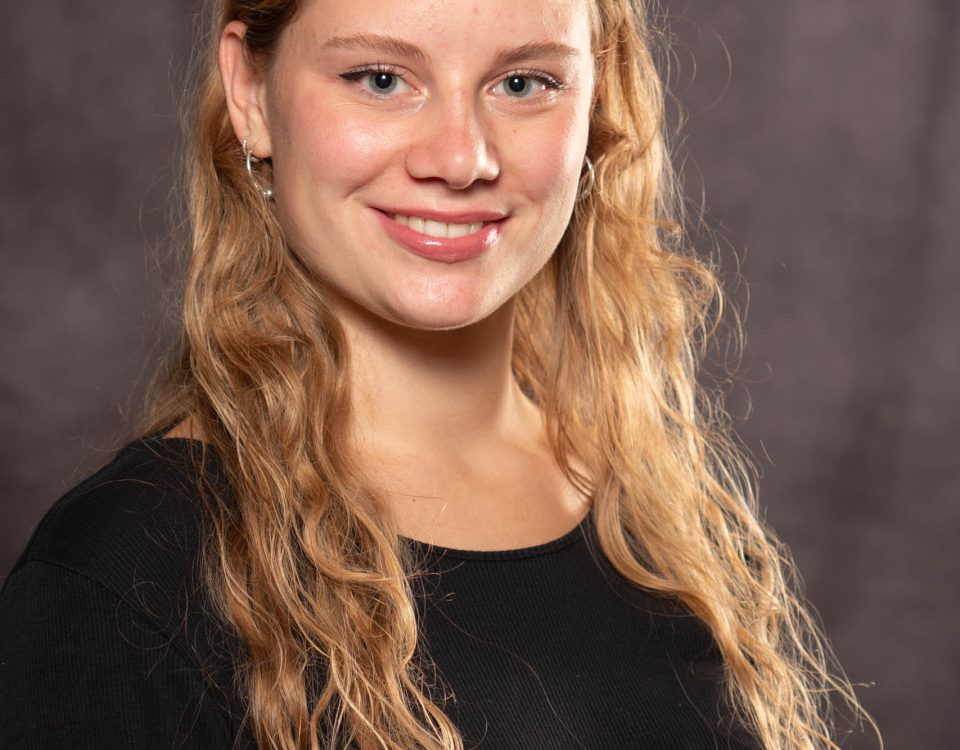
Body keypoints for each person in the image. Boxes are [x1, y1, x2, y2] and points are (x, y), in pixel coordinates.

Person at [0, 0, 875, 748]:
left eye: (523, 83)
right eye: (381, 79)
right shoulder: (114, 582)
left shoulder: (654, 511)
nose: (461, 160)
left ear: (598, 94)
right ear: (251, 93)